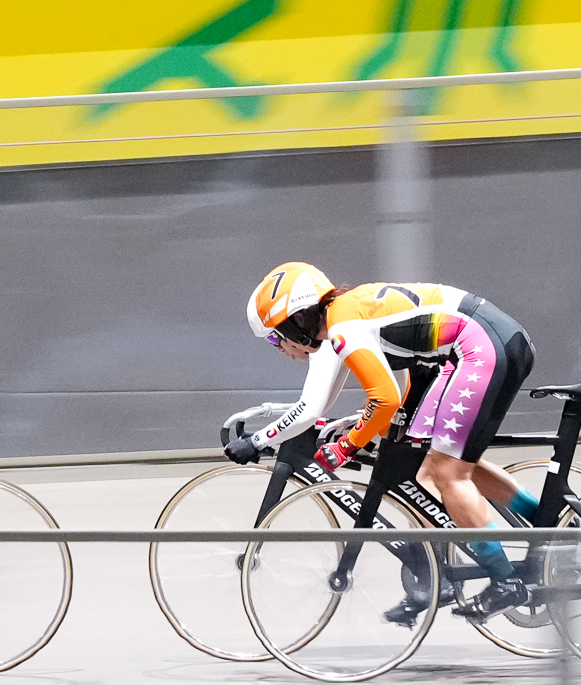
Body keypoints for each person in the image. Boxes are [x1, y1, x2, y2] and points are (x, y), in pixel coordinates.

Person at [226, 262, 537, 621]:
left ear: (295, 320)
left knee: (445, 473)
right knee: (424, 462)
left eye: (272, 336)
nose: (277, 347)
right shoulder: (343, 317)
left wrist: (345, 446)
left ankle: (505, 581)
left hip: (479, 348)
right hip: (479, 343)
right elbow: (377, 392)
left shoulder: (342, 327)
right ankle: (541, 522)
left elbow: (383, 399)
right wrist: (360, 425)